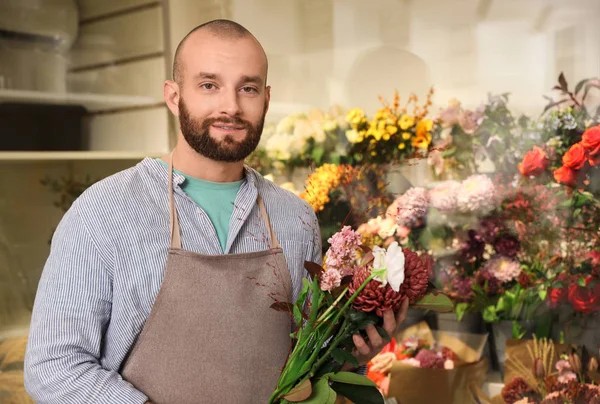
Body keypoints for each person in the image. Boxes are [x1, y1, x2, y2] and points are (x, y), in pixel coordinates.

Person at [24, 19, 408, 404]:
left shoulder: (296, 218)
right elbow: (53, 367)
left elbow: (307, 371)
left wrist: (350, 356)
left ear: (267, 99)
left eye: (248, 88)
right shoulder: (105, 211)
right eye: (209, 85)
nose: (231, 106)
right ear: (174, 97)